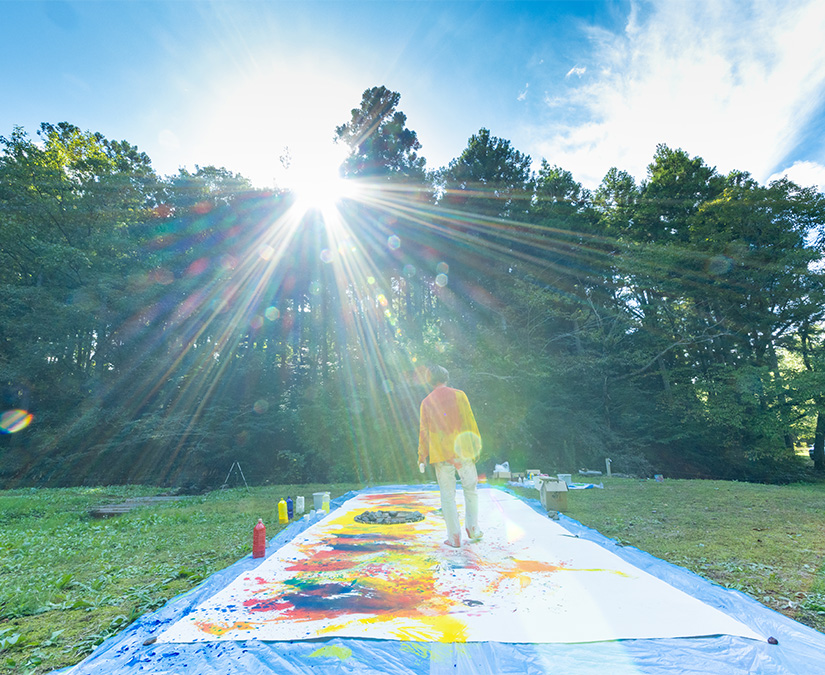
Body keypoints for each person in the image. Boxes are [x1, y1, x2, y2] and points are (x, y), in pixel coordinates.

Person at [417, 365, 483, 548]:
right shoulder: (460, 395)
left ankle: (454, 537)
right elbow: (470, 421)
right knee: (471, 490)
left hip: (442, 455)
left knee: (447, 496)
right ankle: (473, 529)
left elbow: (424, 432)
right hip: (463, 452)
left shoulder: (426, 402)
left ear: (429, 381)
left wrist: (422, 455)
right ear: (446, 377)